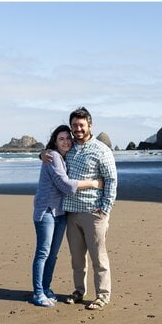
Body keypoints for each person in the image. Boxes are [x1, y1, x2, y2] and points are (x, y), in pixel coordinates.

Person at [30, 125, 103, 307]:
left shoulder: (64, 157)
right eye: (61, 138)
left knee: (52, 255)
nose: (65, 141)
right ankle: (38, 293)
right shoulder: (53, 156)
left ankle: (46, 288)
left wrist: (41, 153)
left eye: (67, 138)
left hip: (60, 212)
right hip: (46, 211)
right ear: (55, 141)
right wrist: (94, 183)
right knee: (43, 253)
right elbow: (65, 185)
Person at [61, 107, 118, 310]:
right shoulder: (67, 148)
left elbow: (111, 180)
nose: (78, 129)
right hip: (71, 213)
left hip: (94, 214)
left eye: (81, 125)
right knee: (77, 258)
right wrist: (42, 154)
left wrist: (105, 209)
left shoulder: (102, 150)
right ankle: (79, 291)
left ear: (90, 125)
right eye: (74, 125)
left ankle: (103, 295)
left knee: (98, 257)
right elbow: (50, 152)